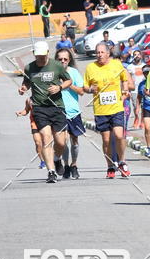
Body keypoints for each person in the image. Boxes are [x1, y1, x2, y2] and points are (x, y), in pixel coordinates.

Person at [19, 40, 73, 184]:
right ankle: (51, 172)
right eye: (38, 56)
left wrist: (59, 87)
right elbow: (27, 82)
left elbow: (69, 81)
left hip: (57, 107)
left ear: (48, 53)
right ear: (34, 54)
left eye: (43, 55)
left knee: (61, 142)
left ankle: (57, 160)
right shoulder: (30, 68)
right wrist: (23, 88)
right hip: (40, 108)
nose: (41, 58)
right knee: (46, 138)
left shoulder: (56, 65)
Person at [83, 42, 133, 178]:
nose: (99, 55)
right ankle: (110, 165)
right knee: (106, 140)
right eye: (97, 52)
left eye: (102, 52)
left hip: (116, 107)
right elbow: (85, 87)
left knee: (119, 135)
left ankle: (122, 161)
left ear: (108, 53)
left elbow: (125, 80)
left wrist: (125, 91)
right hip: (101, 110)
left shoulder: (116, 65)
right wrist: (90, 89)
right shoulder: (90, 68)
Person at [55, 46, 85, 180]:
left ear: (69, 60)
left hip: (73, 111)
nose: (62, 61)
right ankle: (65, 165)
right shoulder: (52, 73)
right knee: (63, 140)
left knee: (74, 140)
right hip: (59, 111)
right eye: (60, 59)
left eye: (65, 59)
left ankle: (74, 165)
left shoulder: (74, 72)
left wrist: (67, 84)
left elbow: (81, 91)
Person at [16, 97, 46, 169]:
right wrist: (21, 113)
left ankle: (50, 159)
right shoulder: (29, 100)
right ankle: (42, 161)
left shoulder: (46, 97)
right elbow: (26, 110)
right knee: (38, 143)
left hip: (46, 122)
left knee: (46, 142)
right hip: (34, 123)